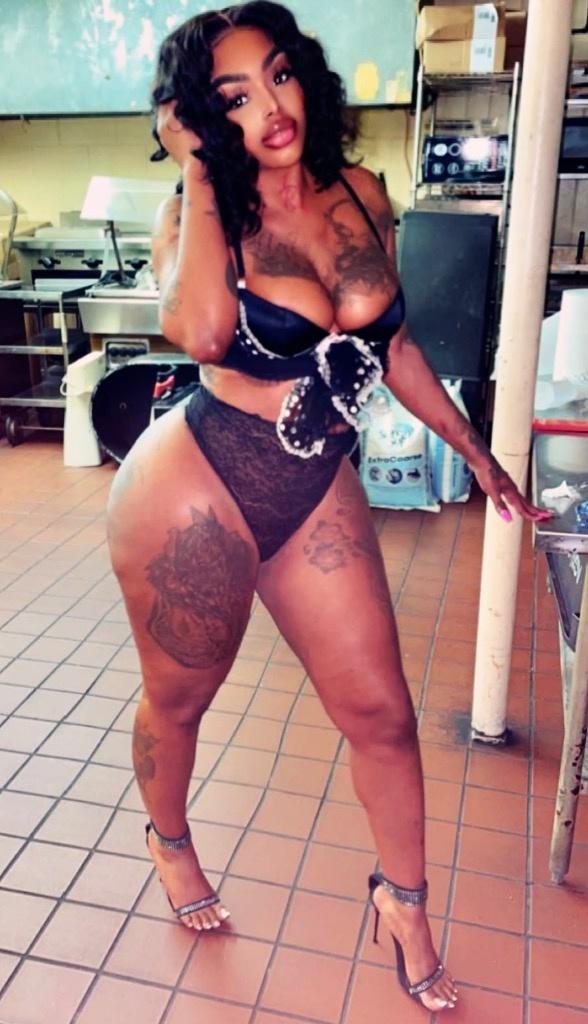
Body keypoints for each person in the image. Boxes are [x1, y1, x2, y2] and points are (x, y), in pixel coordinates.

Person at [107, 2, 552, 1012]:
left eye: (279, 75)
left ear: (305, 73)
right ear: (200, 120)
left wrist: (476, 452)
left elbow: (393, 345)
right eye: (233, 97)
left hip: (313, 482)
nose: (270, 108)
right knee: (180, 702)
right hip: (198, 486)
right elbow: (203, 333)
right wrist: (196, 169)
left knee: (383, 716)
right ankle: (169, 839)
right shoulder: (195, 216)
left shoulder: (360, 192)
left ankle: (405, 908)